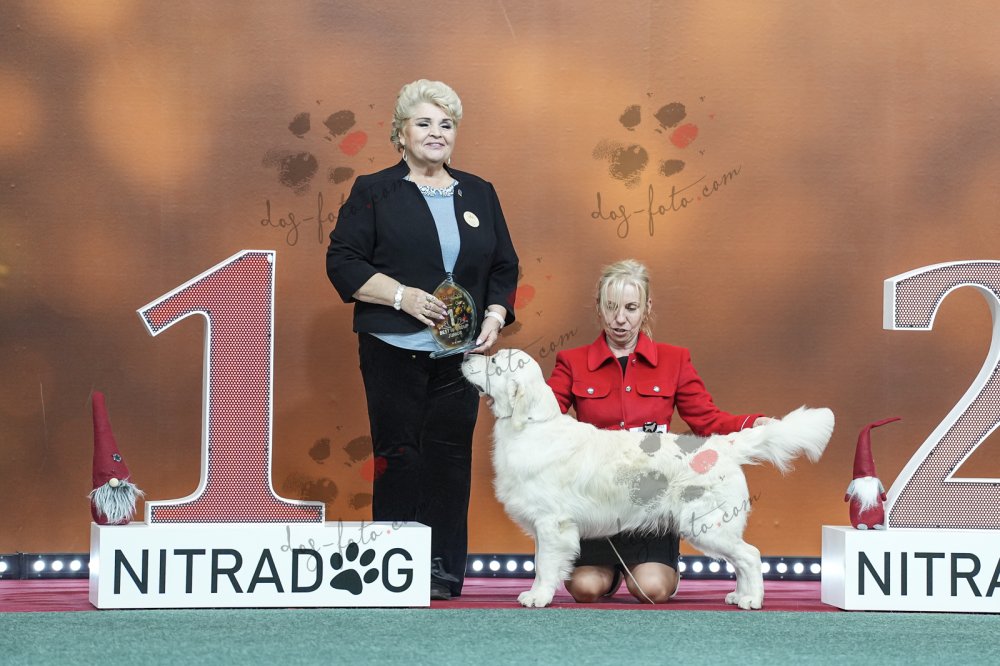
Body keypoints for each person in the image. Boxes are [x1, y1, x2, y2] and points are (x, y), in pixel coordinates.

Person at [326, 79, 519, 600]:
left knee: (450, 458)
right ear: (401, 134)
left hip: (460, 354)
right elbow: (342, 261)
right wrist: (401, 297)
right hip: (393, 347)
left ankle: (442, 570)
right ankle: (392, 569)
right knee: (399, 454)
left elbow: (504, 265)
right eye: (424, 123)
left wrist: (495, 315)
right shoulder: (373, 190)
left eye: (446, 124)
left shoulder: (480, 192)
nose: (437, 132)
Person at [546, 259, 771, 604]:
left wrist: (751, 424)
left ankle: (652, 568)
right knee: (585, 588)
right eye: (611, 307)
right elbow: (545, 417)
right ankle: (610, 572)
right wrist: (511, 397)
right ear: (599, 307)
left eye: (631, 308)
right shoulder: (572, 362)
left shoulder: (674, 360)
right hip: (597, 506)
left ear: (646, 307)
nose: (620, 319)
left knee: (652, 589)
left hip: (653, 502)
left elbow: (707, 420)